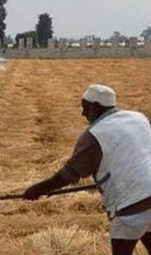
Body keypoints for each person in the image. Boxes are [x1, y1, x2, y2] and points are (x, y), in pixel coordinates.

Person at [23, 84, 151, 255]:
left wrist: (37, 189)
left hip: (132, 202)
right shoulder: (138, 118)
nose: (83, 113)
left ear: (96, 106)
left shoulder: (95, 135)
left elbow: (68, 176)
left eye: (85, 107)